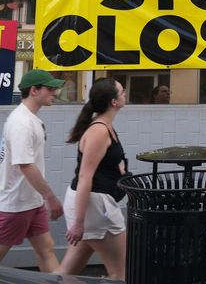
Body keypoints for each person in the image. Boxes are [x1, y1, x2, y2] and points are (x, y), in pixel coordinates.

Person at [0, 69, 65, 271]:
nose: (56, 93)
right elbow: (25, 165)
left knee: (46, 250)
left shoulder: (32, 119)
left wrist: (42, 198)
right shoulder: (21, 122)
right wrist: (51, 197)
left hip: (31, 202)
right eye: (51, 89)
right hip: (14, 205)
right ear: (34, 90)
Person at [56, 78, 128, 280]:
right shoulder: (99, 131)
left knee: (67, 272)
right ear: (113, 102)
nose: (125, 93)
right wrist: (78, 223)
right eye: (122, 91)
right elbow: (85, 176)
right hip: (94, 205)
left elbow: (103, 166)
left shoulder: (106, 127)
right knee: (120, 274)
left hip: (94, 203)